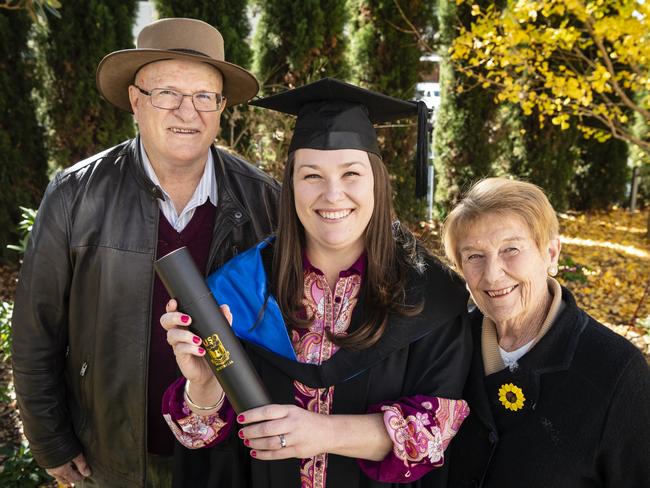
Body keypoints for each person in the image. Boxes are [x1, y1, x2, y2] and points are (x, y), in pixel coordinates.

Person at [160, 78, 472, 488]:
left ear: (378, 181)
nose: (332, 193)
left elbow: (435, 431)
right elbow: (200, 440)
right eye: (311, 176)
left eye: (351, 173)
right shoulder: (239, 289)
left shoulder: (430, 294)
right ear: (290, 186)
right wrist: (202, 385)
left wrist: (321, 432)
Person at [11, 18, 280, 487]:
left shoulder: (264, 200)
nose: (187, 111)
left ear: (221, 108)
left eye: (203, 97)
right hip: (113, 454)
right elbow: (37, 331)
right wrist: (51, 440)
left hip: (229, 458)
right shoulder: (75, 195)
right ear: (136, 101)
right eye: (167, 93)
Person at [441, 177, 650, 487]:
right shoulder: (446, 348)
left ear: (551, 253)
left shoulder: (618, 373)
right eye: (474, 256)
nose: (493, 274)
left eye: (510, 249)